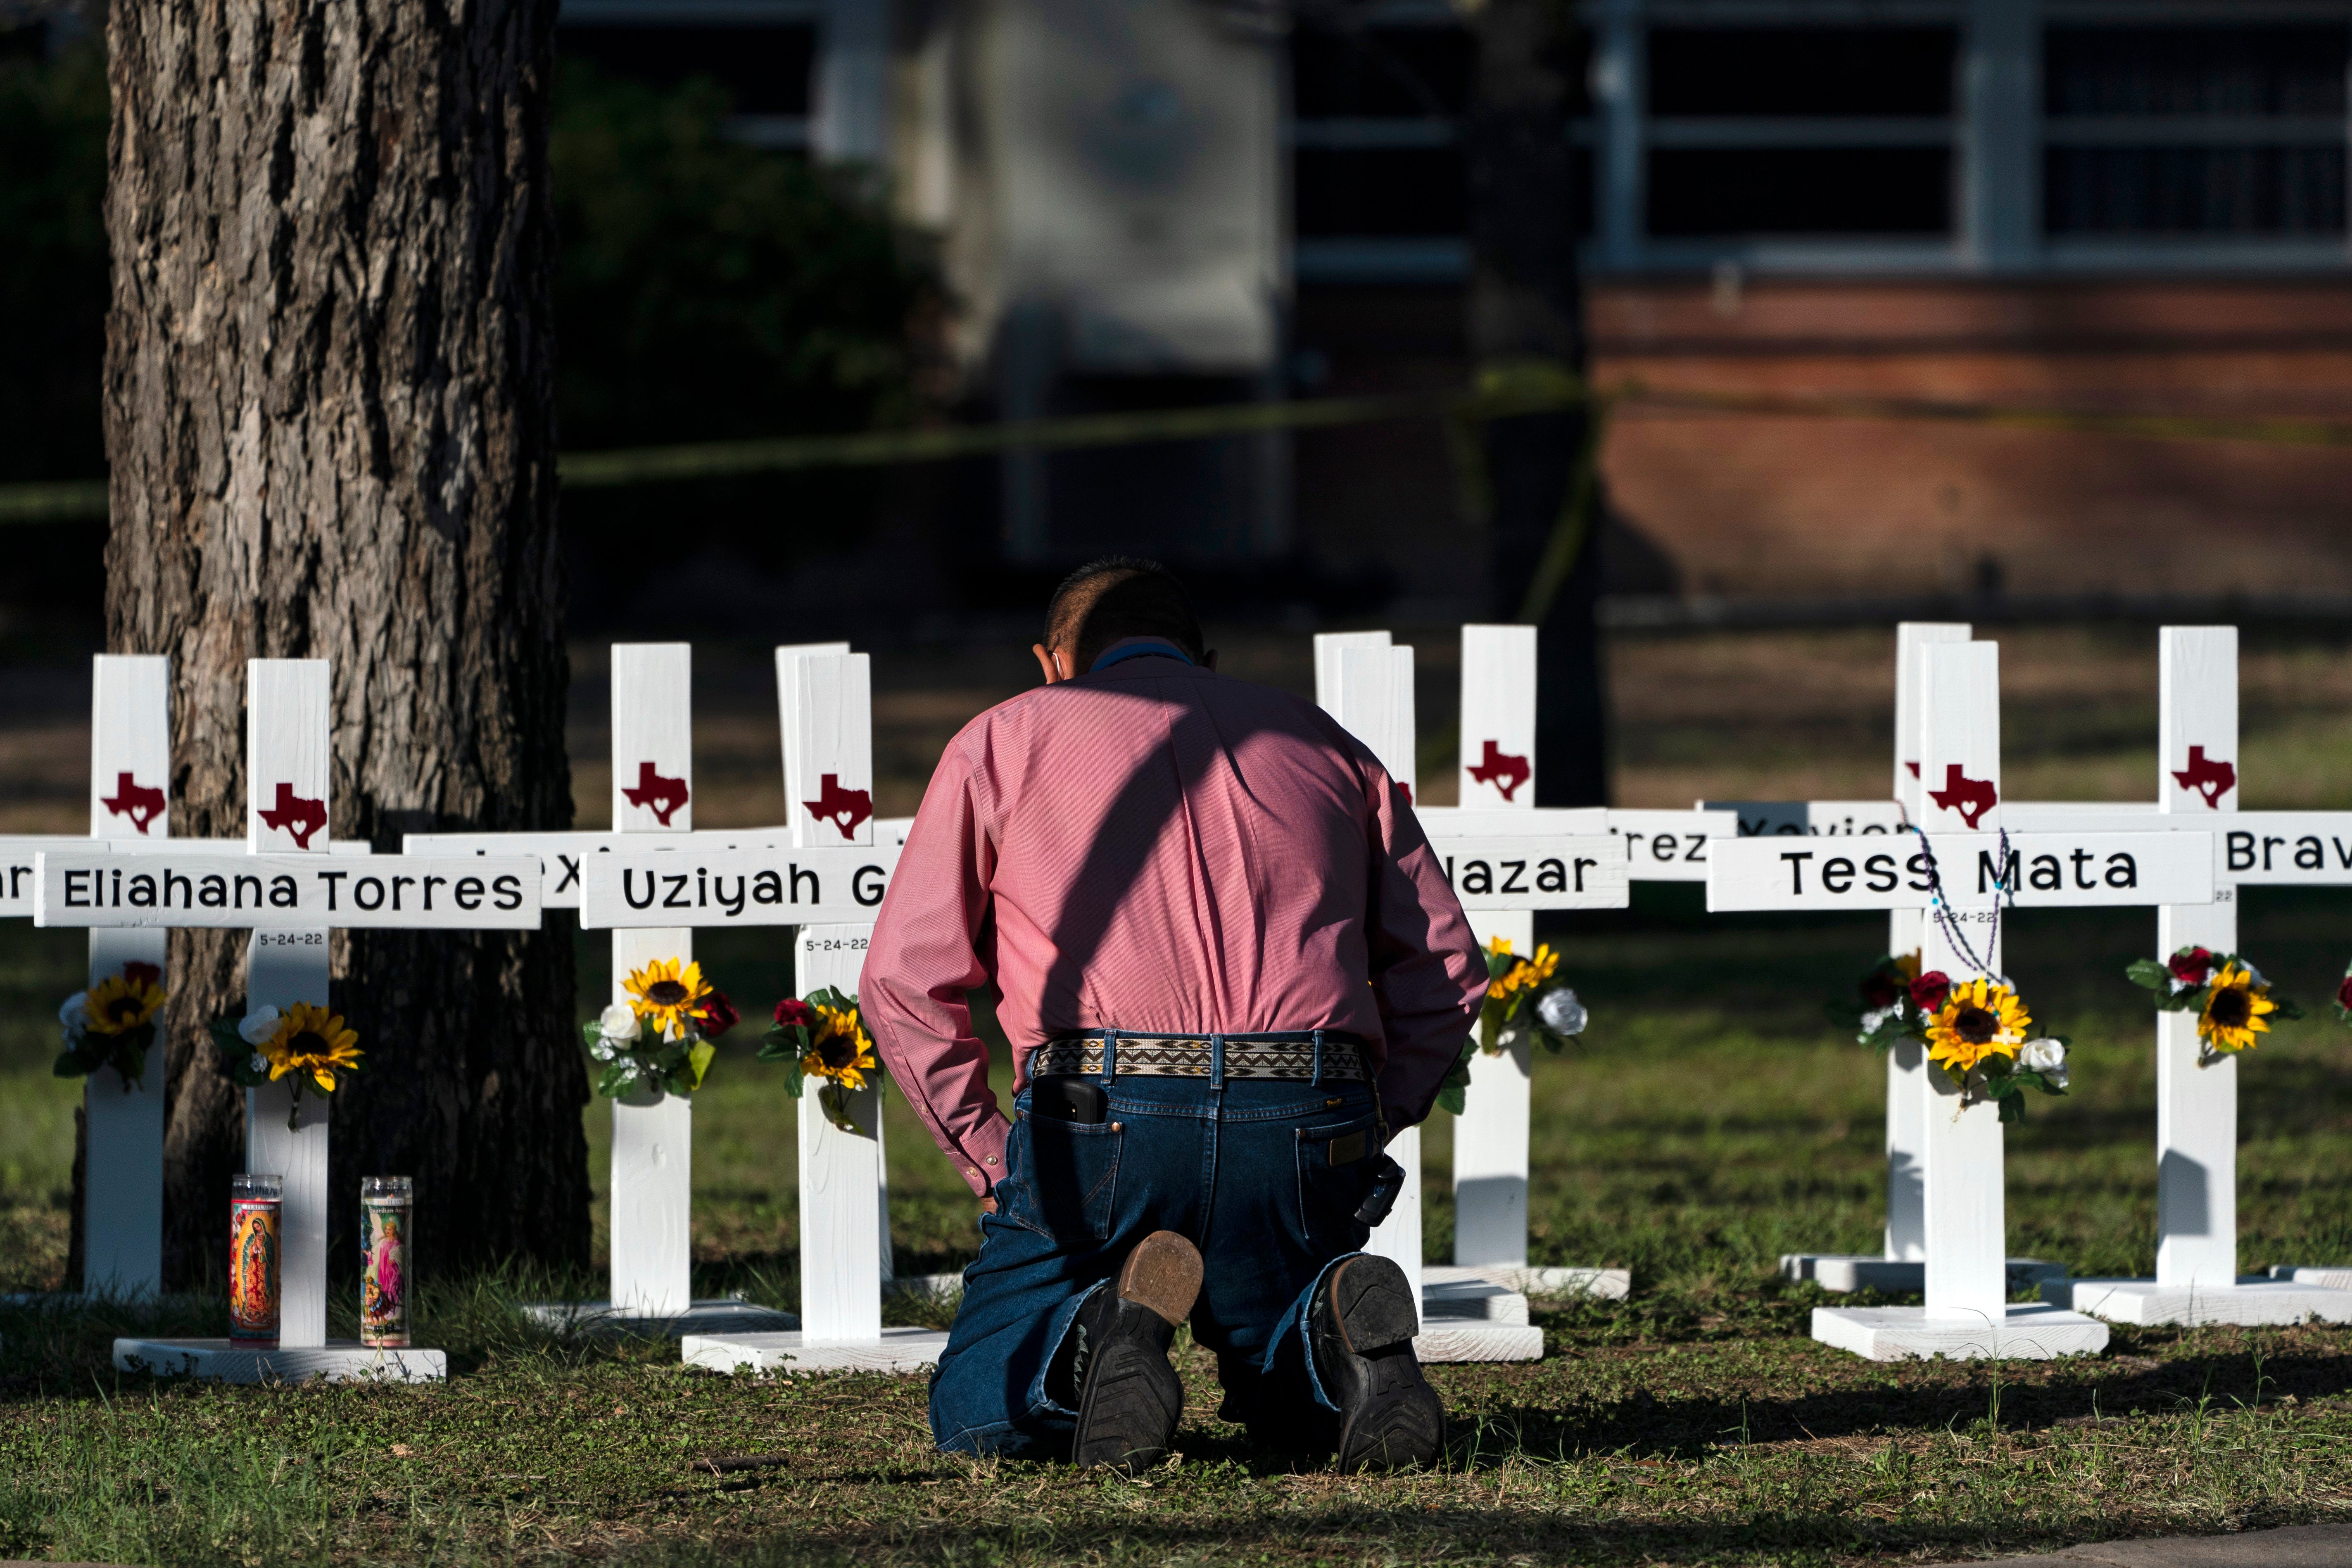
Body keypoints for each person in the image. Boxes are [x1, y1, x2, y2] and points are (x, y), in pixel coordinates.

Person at [860, 557, 1487, 1473]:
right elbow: (1448, 968)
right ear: (1206, 657)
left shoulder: (1004, 738)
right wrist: (1375, 1112)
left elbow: (904, 978)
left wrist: (990, 1152)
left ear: (1052, 660)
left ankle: (1092, 1338)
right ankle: (1331, 1328)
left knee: (979, 1403)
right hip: (1306, 1103)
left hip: (1103, 1110)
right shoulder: (1327, 743)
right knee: (1282, 1381)